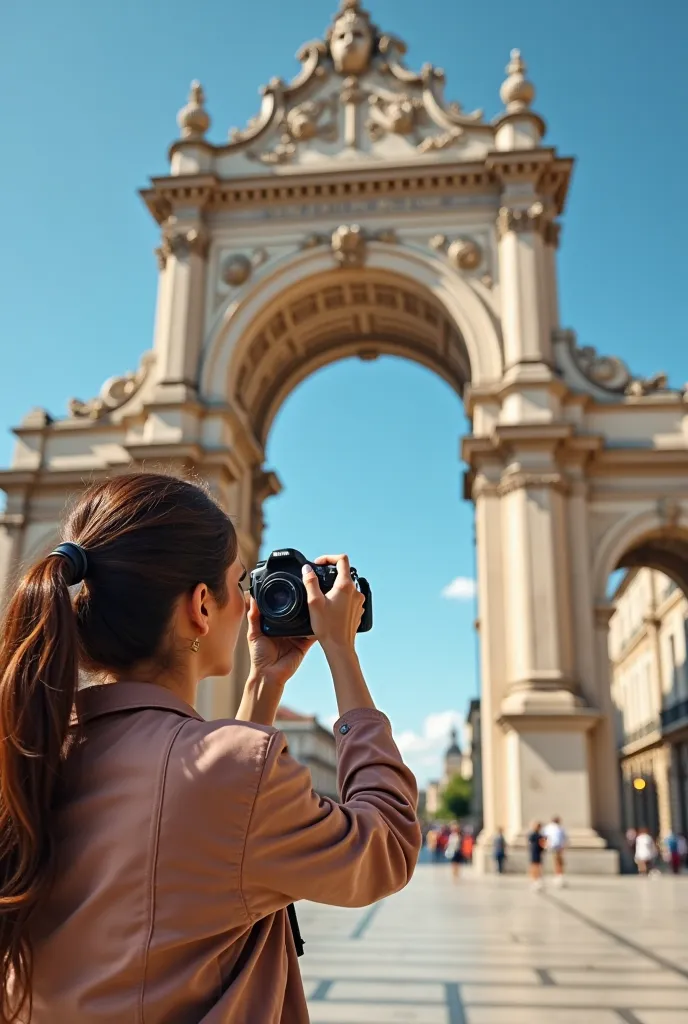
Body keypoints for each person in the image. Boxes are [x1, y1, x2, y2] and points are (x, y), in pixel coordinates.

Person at [0, 473, 421, 1023]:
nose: (252, 601)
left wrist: (263, 684)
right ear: (201, 605)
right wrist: (341, 652)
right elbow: (386, 847)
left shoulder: (32, 749)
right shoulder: (227, 774)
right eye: (242, 583)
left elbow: (216, 836)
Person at [543, 816, 568, 888]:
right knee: (558, 862)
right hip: (555, 846)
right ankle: (558, 876)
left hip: (556, 847)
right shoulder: (553, 828)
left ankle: (559, 876)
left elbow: (564, 838)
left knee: (558, 862)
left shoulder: (557, 828)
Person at [528, 822, 546, 890]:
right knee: (534, 867)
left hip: (537, 853)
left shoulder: (539, 836)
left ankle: (536, 880)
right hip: (534, 853)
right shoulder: (534, 835)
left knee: (537, 867)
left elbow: (543, 845)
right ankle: (534, 880)